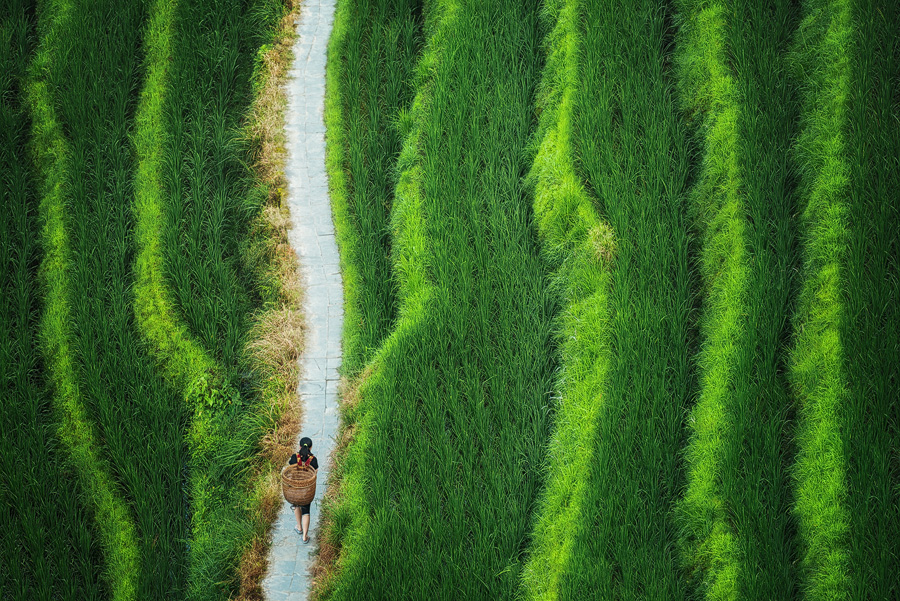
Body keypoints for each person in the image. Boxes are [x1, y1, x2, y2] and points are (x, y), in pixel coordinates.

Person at [289, 436, 318, 543]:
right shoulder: (313, 460)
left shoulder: (294, 457)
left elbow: (290, 471)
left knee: (296, 505)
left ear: (299, 446)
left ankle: (299, 527)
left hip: (296, 489)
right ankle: (305, 536)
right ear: (311, 447)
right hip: (307, 490)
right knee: (306, 511)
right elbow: (315, 473)